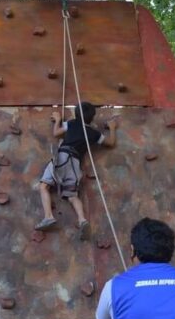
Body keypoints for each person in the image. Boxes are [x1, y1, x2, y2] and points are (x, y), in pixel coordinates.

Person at [34, 102, 117, 240]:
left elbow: (56, 133)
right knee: (72, 196)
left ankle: (48, 216)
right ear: (92, 118)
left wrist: (58, 120)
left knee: (44, 186)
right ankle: (82, 220)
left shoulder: (72, 123)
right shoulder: (94, 134)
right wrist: (112, 128)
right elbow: (110, 143)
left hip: (62, 157)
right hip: (75, 163)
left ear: (76, 114)